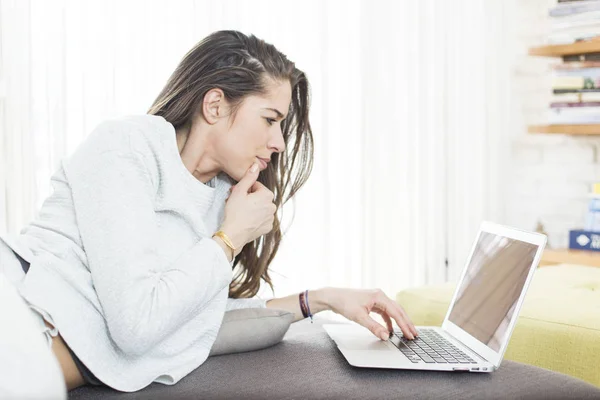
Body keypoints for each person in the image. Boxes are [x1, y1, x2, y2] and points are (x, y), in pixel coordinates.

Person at [0, 30, 418, 395]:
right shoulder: (128, 146)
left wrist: (322, 299)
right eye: (270, 119)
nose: (279, 142)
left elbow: (194, 319)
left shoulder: (219, 199)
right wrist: (228, 239)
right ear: (215, 106)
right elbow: (137, 325)